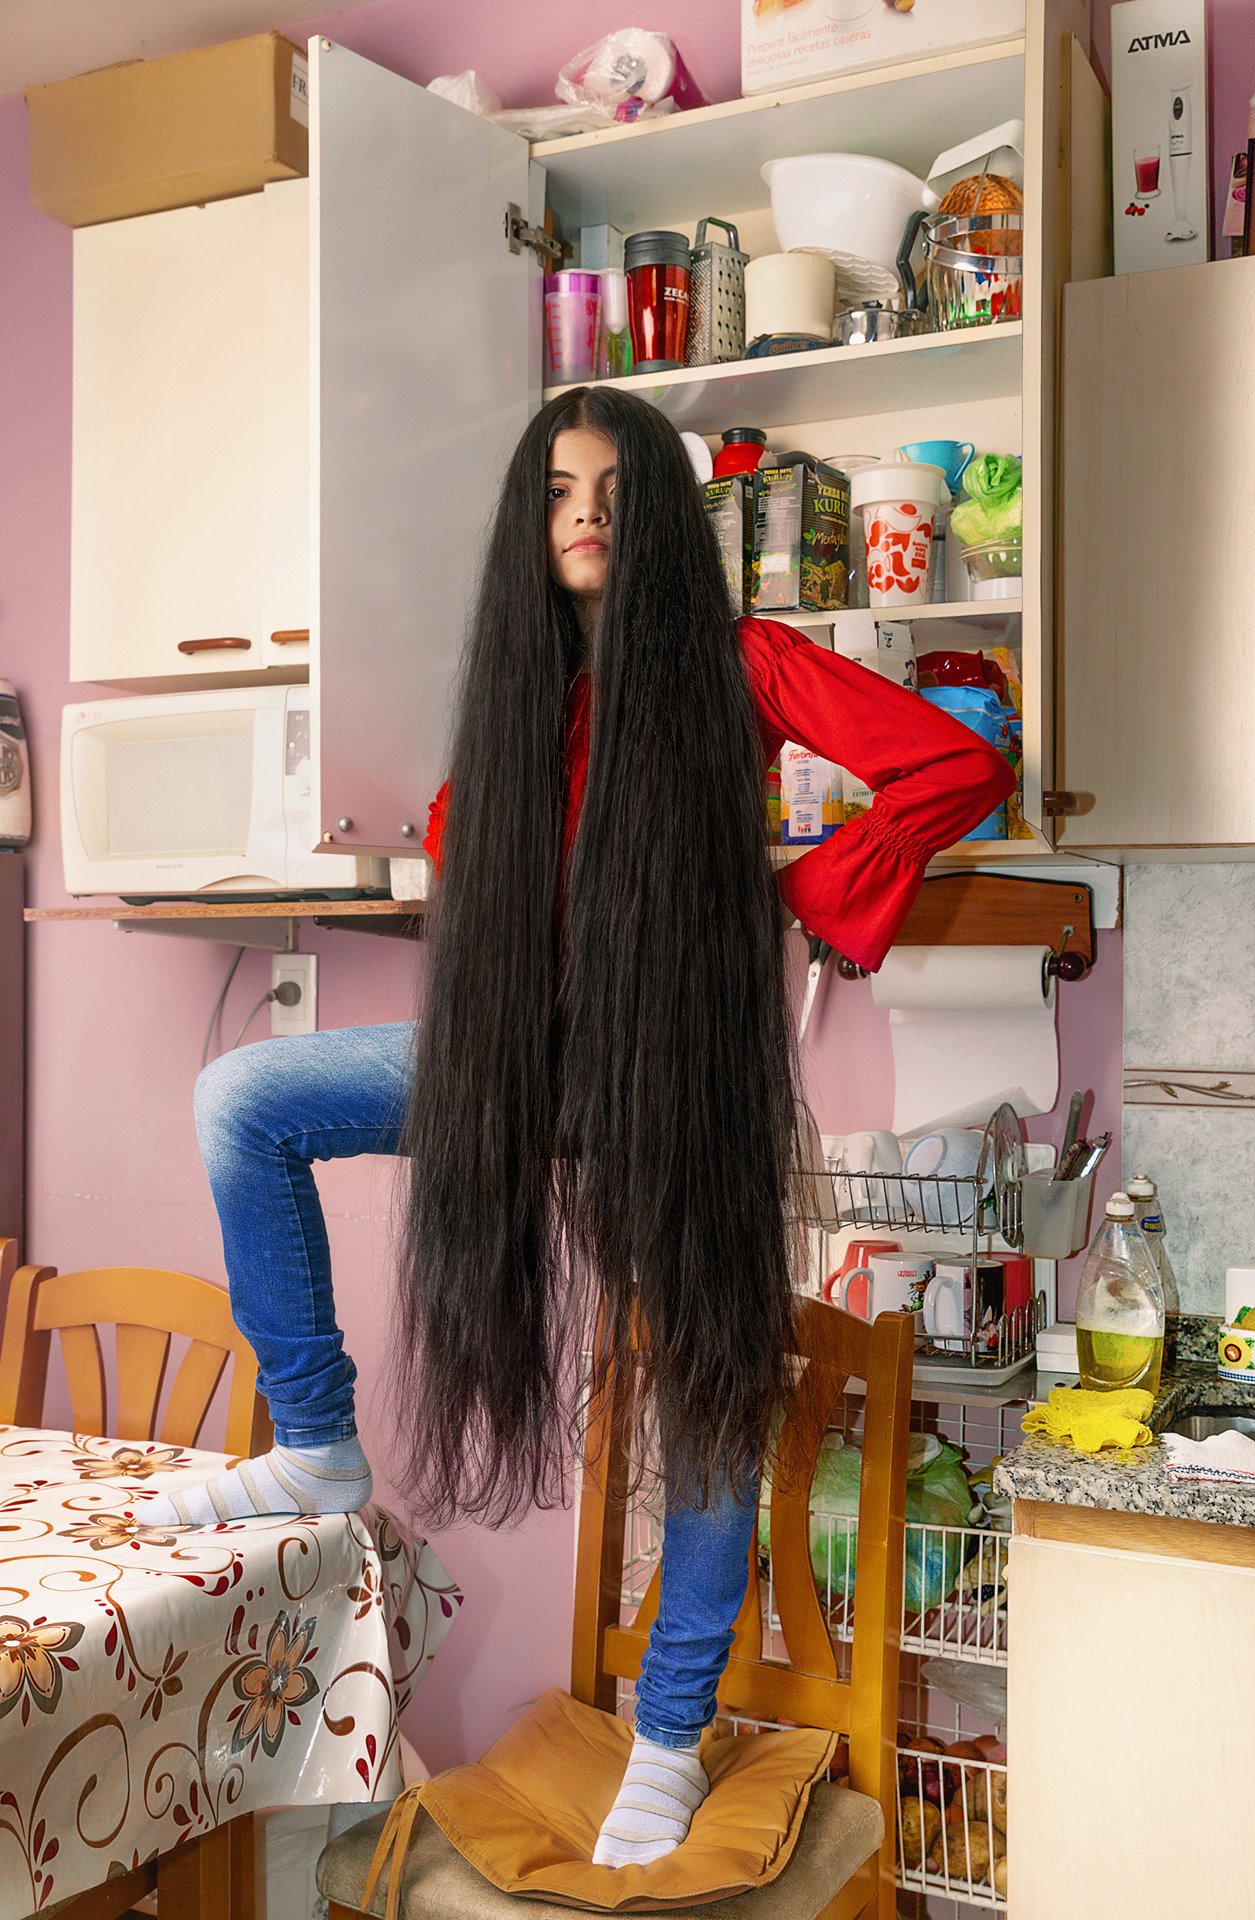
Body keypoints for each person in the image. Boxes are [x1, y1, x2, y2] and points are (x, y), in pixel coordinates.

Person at [147, 389, 1012, 1865]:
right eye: (556, 492)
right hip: (525, 1064)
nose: (585, 514)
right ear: (528, 525)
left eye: (611, 488)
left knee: (710, 1403)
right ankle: (318, 1449)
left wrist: (796, 900)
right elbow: (450, 843)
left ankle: (667, 1737)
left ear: (659, 511)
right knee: (244, 1098)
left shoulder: (743, 663)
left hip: (674, 1085)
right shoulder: (526, 700)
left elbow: (954, 766)